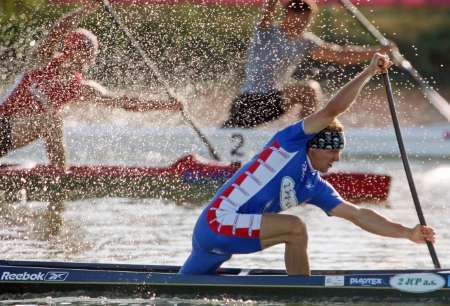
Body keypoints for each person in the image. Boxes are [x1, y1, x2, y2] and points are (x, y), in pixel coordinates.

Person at [179, 53, 436, 275]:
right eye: (333, 152)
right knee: (296, 227)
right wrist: (369, 71)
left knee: (183, 284)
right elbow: (331, 110)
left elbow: (358, 215)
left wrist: (408, 233)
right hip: (218, 222)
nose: (337, 159)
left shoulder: (313, 185)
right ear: (313, 146)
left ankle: (299, 289)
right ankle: (300, 292)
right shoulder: (289, 143)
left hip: (220, 236)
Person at [0, 4, 181, 237]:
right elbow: (57, 29)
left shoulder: (80, 88)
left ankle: (60, 184)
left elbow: (124, 103)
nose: (89, 59)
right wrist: (90, 6)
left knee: (51, 121)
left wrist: (167, 105)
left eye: (91, 53)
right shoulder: (41, 62)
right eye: (85, 52)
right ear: (70, 50)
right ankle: (61, 181)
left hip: (9, 139)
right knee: (51, 121)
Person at [222, 0, 393, 128]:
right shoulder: (265, 33)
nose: (301, 24)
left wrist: (377, 52)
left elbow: (340, 54)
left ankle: (306, 142)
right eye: (297, 19)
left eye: (305, 21)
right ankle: (307, 139)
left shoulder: (306, 42)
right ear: (286, 15)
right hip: (247, 104)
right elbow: (269, 6)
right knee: (308, 90)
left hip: (272, 103)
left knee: (310, 91)